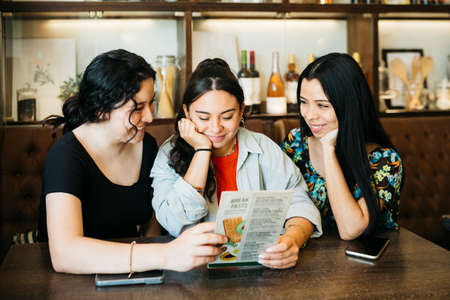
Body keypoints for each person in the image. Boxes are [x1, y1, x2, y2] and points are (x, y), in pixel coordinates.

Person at [37, 49, 227, 274]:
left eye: (151, 104)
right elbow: (65, 254)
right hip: (71, 279)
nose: (149, 117)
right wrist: (167, 255)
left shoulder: (145, 145)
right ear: (100, 110)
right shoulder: (66, 156)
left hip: (132, 272)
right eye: (137, 108)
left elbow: (152, 225)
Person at [150, 58, 322, 269]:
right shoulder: (169, 154)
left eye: (227, 116)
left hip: (260, 266)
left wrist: (291, 240)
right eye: (203, 118)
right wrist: (202, 150)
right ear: (186, 113)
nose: (216, 128)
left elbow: (298, 200)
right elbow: (174, 221)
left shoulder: (262, 147)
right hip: (195, 271)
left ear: (241, 111)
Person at [281, 53, 403, 240]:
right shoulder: (296, 143)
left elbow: (350, 229)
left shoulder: (385, 160)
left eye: (322, 105)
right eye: (303, 102)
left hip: (373, 264)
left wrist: (328, 149)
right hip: (310, 258)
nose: (310, 115)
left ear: (350, 106)